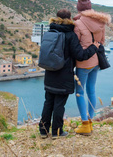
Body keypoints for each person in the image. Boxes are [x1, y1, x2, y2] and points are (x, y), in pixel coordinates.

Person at [39, 8, 100, 139]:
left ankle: (43, 130)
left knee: (48, 102)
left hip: (49, 73)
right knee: (59, 104)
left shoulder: (50, 31)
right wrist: (94, 47)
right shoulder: (70, 35)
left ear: (56, 17)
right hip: (63, 75)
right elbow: (80, 55)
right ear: (70, 18)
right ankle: (57, 131)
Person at [73, 0, 111, 135]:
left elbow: (75, 46)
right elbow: (102, 41)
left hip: (84, 63)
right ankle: (91, 120)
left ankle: (85, 124)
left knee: (79, 92)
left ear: (79, 9)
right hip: (96, 62)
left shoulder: (77, 24)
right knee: (91, 90)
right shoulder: (101, 22)